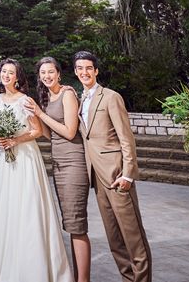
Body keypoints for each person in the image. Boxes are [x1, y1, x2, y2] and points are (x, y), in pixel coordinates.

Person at [0, 58, 72, 282]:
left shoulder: (25, 100)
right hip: (6, 161)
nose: (6, 75)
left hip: (26, 158)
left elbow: (37, 130)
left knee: (28, 207)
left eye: (11, 72)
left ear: (18, 77)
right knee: (6, 208)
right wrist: (1, 138)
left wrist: (15, 140)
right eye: (3, 71)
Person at [74, 51, 152, 282]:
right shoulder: (81, 100)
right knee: (114, 239)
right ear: (76, 72)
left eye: (89, 68)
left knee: (133, 238)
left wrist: (128, 174)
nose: (84, 72)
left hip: (117, 175)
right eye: (80, 68)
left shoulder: (110, 97)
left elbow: (126, 138)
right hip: (97, 178)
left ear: (96, 71)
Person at [25, 57, 91, 282]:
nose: (47, 76)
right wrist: (33, 117)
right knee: (71, 224)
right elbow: (49, 134)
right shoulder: (46, 97)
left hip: (74, 163)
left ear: (59, 73)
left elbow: (70, 132)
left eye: (51, 72)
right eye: (43, 73)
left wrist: (41, 114)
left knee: (77, 225)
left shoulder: (67, 94)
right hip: (59, 165)